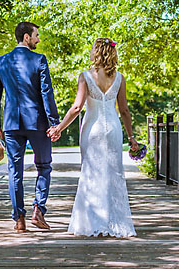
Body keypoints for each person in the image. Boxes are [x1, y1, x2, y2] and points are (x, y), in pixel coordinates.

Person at [48, 38, 139, 238]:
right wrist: (131, 137)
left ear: (95, 52)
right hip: (113, 129)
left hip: (92, 130)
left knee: (91, 173)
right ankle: (114, 222)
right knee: (114, 173)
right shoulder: (120, 78)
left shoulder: (85, 76)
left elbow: (76, 107)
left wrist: (59, 128)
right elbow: (123, 110)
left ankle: (91, 222)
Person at [0, 21, 60, 233]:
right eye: (36, 35)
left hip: (11, 124)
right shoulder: (39, 60)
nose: (38, 39)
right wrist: (54, 122)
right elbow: (46, 93)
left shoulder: (2, 62)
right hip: (37, 122)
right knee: (44, 166)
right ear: (26, 37)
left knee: (15, 171)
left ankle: (19, 219)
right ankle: (38, 210)